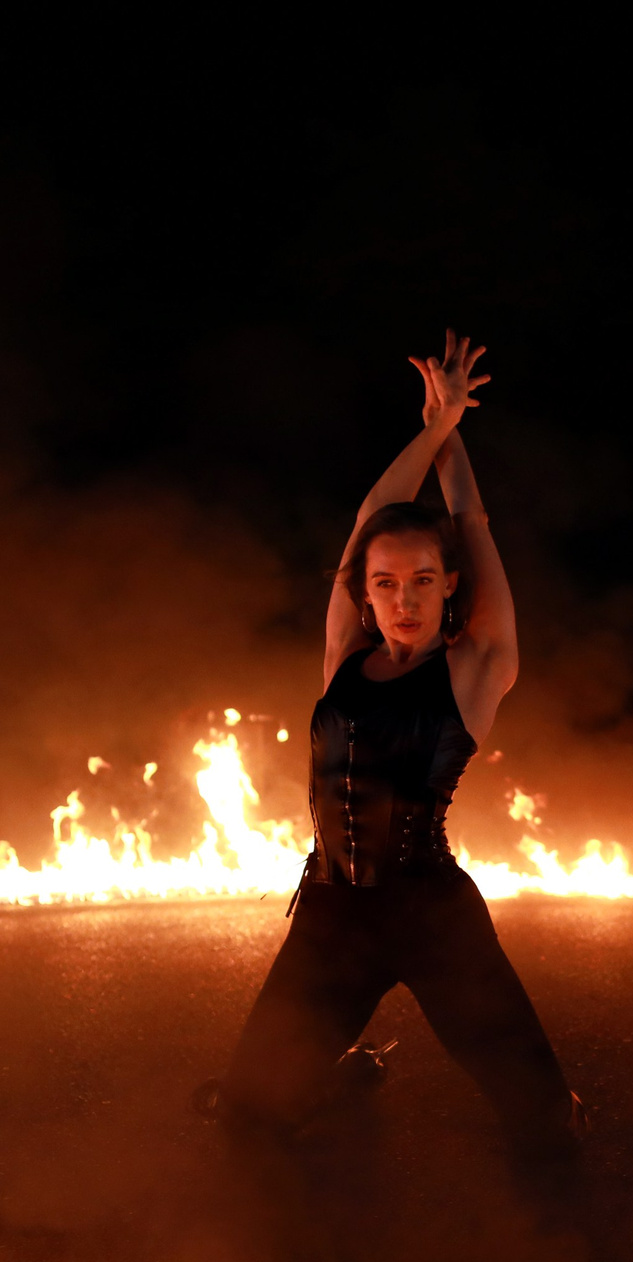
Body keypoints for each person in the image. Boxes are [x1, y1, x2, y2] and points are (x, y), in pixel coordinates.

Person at [213, 331, 586, 1209]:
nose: (402, 598)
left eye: (424, 580)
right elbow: (367, 519)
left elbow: (475, 534)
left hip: (432, 916)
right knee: (247, 1117)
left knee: (537, 1119)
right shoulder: (345, 651)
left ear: (449, 584)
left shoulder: (475, 669)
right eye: (386, 581)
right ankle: (340, 1084)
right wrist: (435, 425)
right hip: (336, 913)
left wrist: (457, 450)